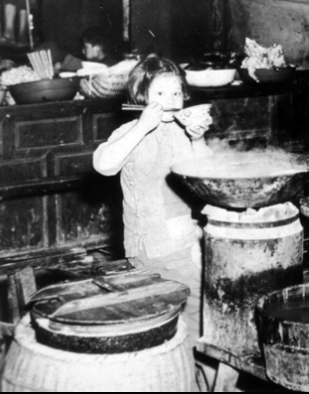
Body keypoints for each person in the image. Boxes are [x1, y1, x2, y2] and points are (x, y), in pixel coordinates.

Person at [93, 57, 212, 384]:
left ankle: (196, 381)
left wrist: (199, 138)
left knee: (202, 319)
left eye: (177, 93)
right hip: (151, 246)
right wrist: (143, 125)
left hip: (185, 242)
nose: (172, 101)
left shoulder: (183, 131)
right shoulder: (130, 131)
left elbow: (209, 178)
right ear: (141, 97)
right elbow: (104, 164)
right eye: (161, 94)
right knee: (190, 321)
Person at [54, 26, 119, 72]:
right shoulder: (94, 62)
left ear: (97, 48)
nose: (83, 51)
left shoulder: (111, 66)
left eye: (86, 47)